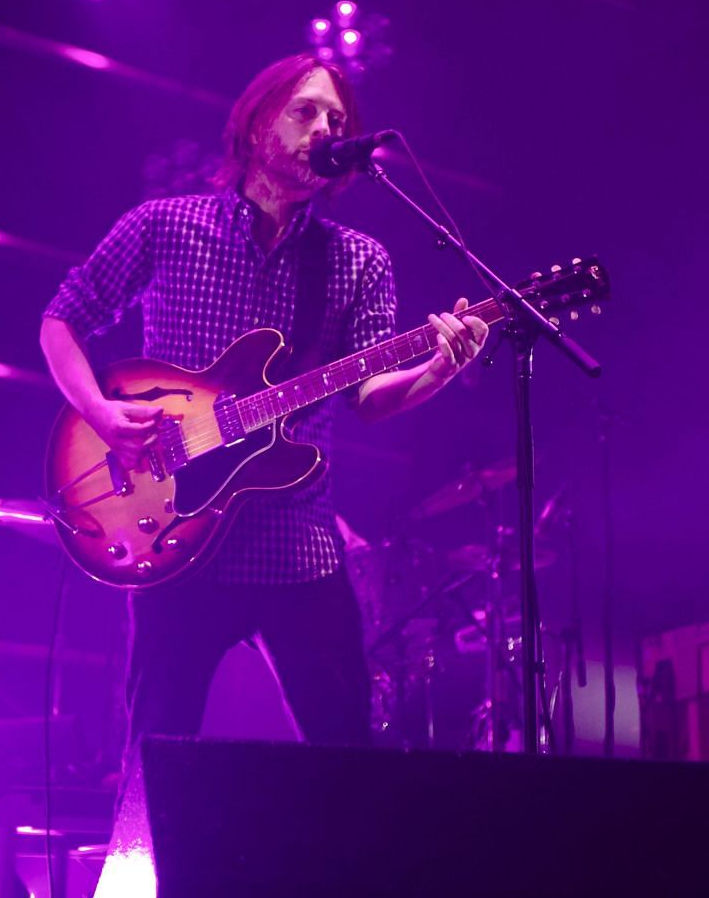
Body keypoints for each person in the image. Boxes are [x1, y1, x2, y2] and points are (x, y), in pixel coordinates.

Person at [40, 52, 490, 773]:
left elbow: (370, 397)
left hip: (298, 542)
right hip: (173, 531)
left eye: (337, 120)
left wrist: (438, 366)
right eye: (306, 111)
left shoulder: (359, 261)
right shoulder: (164, 226)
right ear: (255, 127)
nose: (325, 127)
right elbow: (62, 319)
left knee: (348, 757)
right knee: (158, 752)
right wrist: (98, 410)